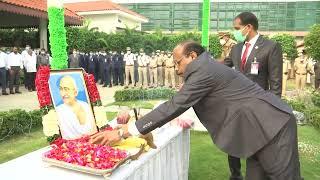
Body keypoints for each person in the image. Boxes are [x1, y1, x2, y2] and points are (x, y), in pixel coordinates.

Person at [91, 41, 302, 180]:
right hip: (256, 133)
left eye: (178, 62)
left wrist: (122, 132)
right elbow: (178, 104)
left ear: (192, 56)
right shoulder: (204, 69)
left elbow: (174, 106)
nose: (176, 68)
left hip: (273, 127)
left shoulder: (204, 70)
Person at [224, 12, 283, 179]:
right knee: (232, 143)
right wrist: (201, 63)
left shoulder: (271, 47)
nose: (234, 31)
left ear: (248, 27)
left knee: (255, 145)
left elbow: (276, 84)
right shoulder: (236, 48)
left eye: (237, 28)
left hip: (258, 107)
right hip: (236, 106)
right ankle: (235, 175)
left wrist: (272, 111)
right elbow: (222, 66)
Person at [56, 75, 97, 140]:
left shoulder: (85, 106)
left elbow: (94, 129)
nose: (63, 93)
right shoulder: (58, 111)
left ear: (75, 92)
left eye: (66, 89)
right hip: (70, 147)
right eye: (61, 89)